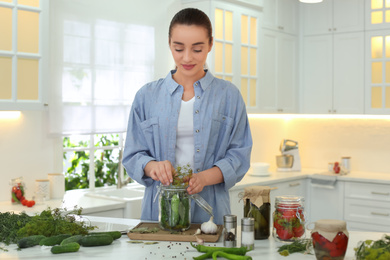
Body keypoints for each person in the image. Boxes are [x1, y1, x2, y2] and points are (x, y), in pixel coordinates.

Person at [122, 8, 252, 225]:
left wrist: (203, 178)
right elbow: (133, 155)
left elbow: (239, 156)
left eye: (197, 49)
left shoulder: (229, 96)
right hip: (158, 214)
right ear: (170, 44)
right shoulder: (146, 96)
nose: (187, 58)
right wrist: (153, 166)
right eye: (179, 48)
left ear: (210, 45)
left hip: (211, 214)